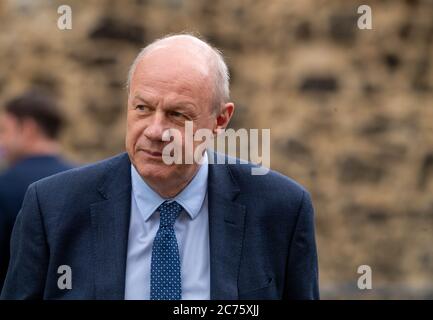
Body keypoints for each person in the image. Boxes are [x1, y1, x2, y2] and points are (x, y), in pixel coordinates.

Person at [1, 34, 319, 300]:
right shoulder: (53, 207)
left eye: (177, 114)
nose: (155, 131)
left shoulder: (281, 209)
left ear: (220, 120)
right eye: (142, 108)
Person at [0, 91, 73, 291]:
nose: (1, 141)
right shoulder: (88, 183)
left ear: (28, 129)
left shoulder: (4, 185)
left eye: (4, 130)